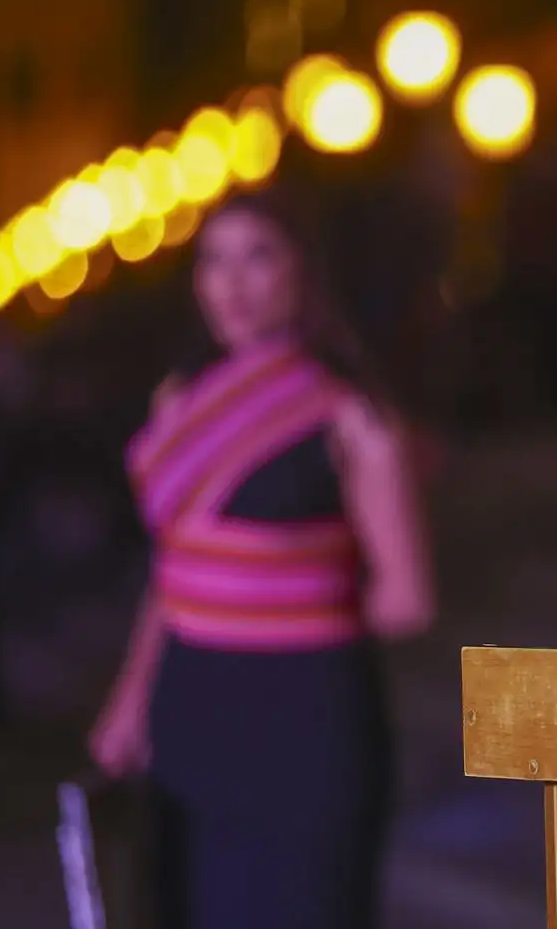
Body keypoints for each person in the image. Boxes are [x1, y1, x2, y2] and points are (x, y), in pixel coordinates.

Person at [89, 188, 435, 929]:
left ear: (302, 272)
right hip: (192, 707)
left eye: (258, 257)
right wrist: (128, 704)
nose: (233, 285)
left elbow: (407, 599)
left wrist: (281, 598)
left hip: (303, 717)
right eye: (214, 262)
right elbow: (172, 576)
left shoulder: (350, 415)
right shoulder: (178, 402)